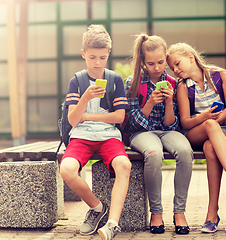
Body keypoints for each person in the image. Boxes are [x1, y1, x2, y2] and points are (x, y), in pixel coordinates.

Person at [167, 42, 226, 233]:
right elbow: (185, 122)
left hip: (221, 132)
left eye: (177, 63)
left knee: (210, 149)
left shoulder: (220, 75)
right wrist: (205, 118)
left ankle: (212, 214)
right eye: (172, 67)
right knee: (209, 126)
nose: (175, 70)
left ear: (191, 58)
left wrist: (216, 119)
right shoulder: (182, 87)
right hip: (195, 132)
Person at [59, 25, 131, 240]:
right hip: (81, 136)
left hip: (109, 136)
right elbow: (72, 119)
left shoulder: (115, 80)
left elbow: (119, 117)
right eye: (92, 57)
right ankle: (98, 208)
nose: (97, 62)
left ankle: (112, 223)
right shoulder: (77, 81)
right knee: (67, 169)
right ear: (83, 54)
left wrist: (88, 115)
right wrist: (86, 98)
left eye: (102, 57)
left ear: (108, 53)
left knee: (124, 165)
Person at [124, 34, 193, 235]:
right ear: (143, 63)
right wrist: (150, 103)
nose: (157, 67)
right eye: (151, 63)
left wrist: (169, 102)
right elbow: (132, 123)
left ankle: (179, 212)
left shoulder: (174, 82)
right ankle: (156, 212)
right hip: (142, 133)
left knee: (184, 151)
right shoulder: (133, 83)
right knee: (154, 154)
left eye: (161, 62)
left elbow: (172, 124)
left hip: (166, 130)